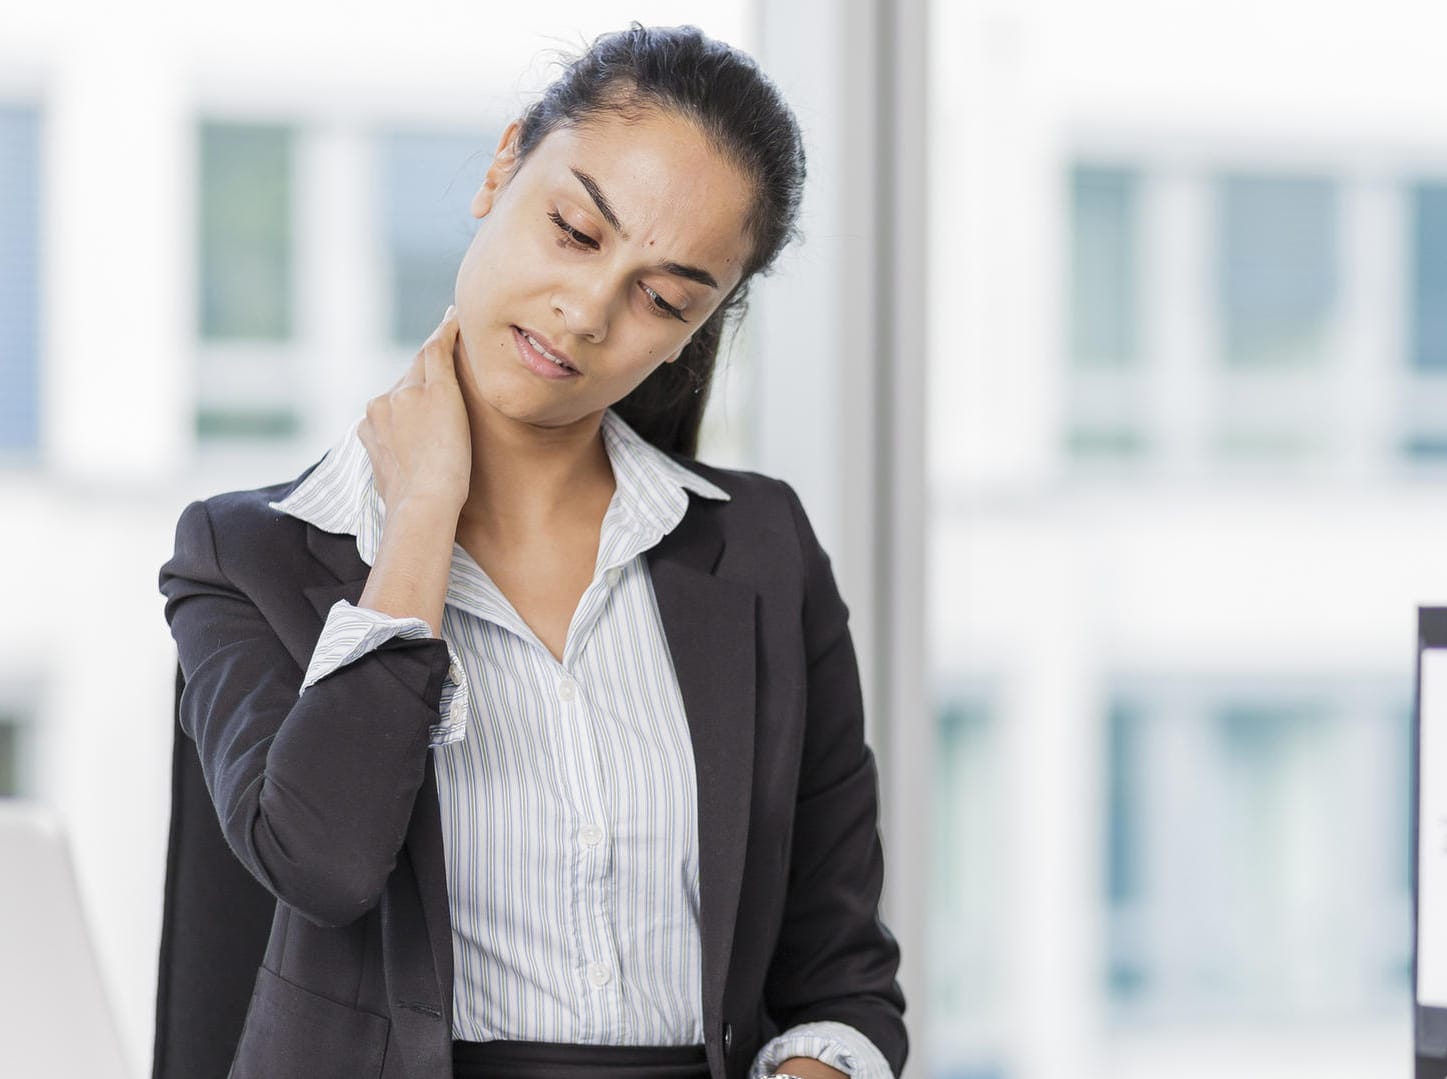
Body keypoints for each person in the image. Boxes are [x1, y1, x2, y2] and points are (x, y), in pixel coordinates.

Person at [154, 22, 906, 1079]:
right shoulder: (247, 556)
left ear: (700, 328)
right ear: (504, 164)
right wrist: (420, 516)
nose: (588, 311)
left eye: (664, 297)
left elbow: (841, 981)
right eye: (575, 230)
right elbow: (321, 860)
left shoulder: (762, 551)